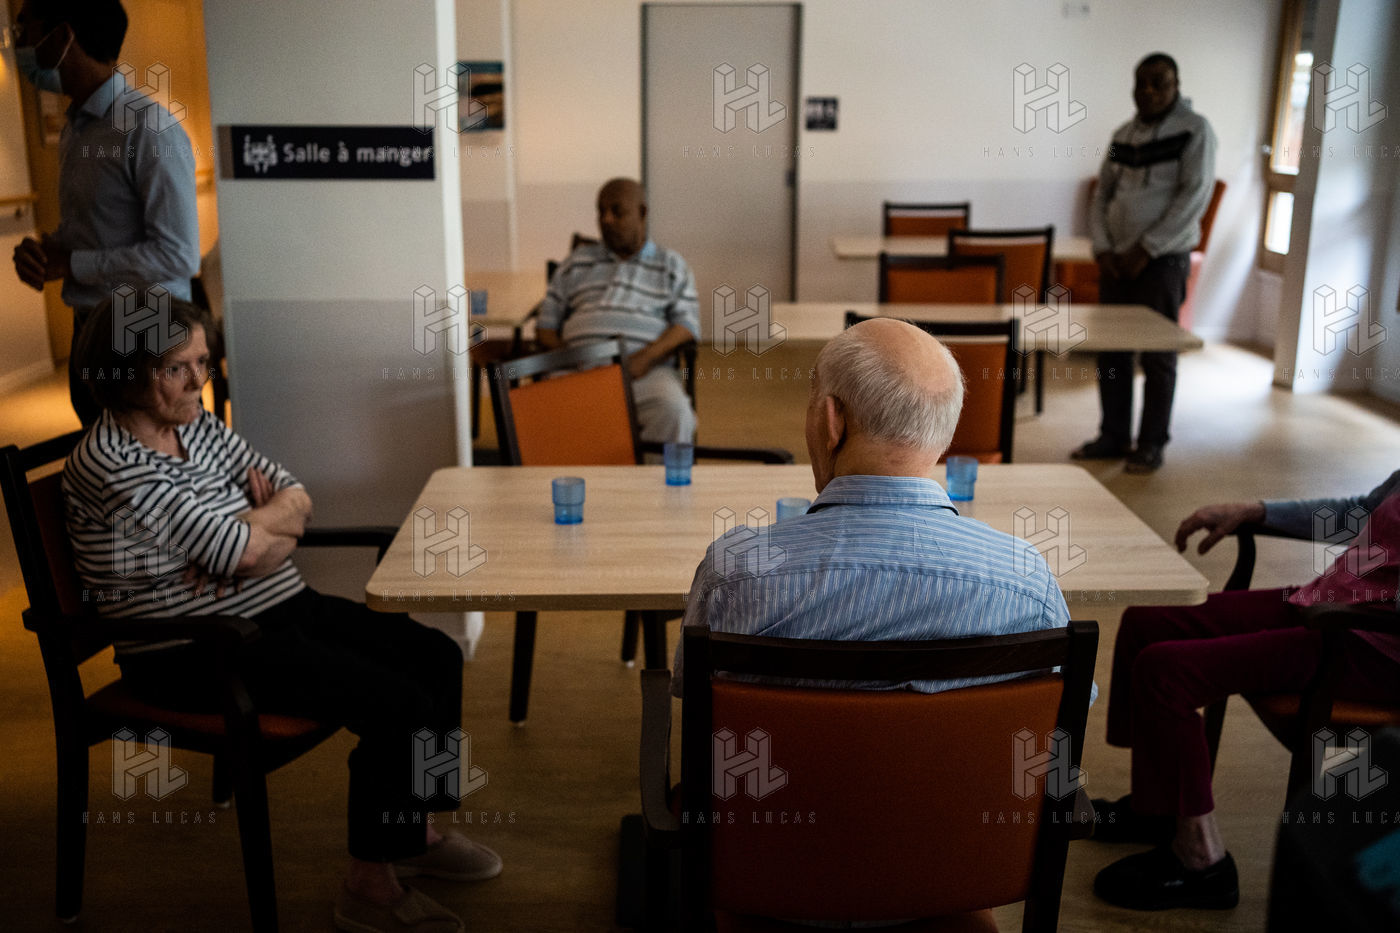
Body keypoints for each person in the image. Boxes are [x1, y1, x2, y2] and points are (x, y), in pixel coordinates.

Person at [63, 298, 498, 933]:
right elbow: (240, 551)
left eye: (203, 362)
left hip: (276, 607)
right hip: (191, 648)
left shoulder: (197, 426)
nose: (198, 380)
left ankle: (413, 835)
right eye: (177, 368)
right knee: (394, 700)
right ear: (124, 372)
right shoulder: (109, 462)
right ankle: (368, 884)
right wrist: (251, 538)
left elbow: (295, 496)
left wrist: (252, 528)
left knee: (435, 655)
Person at [673, 318, 1073, 693]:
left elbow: (690, 692)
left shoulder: (734, 572)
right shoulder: (1027, 582)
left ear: (832, 421)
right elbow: (1066, 702)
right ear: (945, 430)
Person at [1091, 471, 1400, 911]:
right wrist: (1257, 512)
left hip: (1370, 645)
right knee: (1148, 622)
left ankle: (1203, 863)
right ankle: (1159, 809)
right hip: (1330, 605)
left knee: (1165, 672)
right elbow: (1360, 513)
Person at [10, 0, 200, 426]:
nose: (19, 45)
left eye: (25, 30)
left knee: (155, 460)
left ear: (62, 36)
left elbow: (178, 256)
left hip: (147, 332)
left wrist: (72, 264)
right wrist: (48, 252)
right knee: (102, 454)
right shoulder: (77, 128)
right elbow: (98, 228)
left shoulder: (150, 129)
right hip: (91, 328)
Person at [1072, 52, 1217, 474]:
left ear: (1176, 86)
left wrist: (1146, 249)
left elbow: (1193, 197)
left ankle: (1151, 443)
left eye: (1159, 83)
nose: (1149, 91)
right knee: (1112, 352)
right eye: (1142, 83)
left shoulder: (1195, 131)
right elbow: (1103, 195)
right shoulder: (1123, 135)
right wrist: (1103, 248)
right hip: (1116, 260)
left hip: (1161, 261)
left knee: (1157, 354)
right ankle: (1113, 436)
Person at [535, 178, 699, 444]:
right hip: (577, 371)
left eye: (617, 211)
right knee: (538, 412)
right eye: (601, 211)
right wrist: (571, 356)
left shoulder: (671, 265)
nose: (606, 220)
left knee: (674, 412)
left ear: (642, 213)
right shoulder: (576, 263)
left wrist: (645, 358)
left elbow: (686, 327)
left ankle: (649, 475)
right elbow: (545, 328)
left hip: (644, 374)